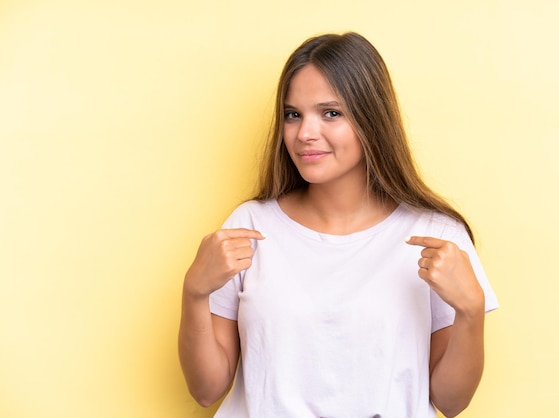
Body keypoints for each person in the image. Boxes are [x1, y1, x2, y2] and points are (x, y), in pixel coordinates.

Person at [178, 32, 498, 418]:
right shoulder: (249, 227)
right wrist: (195, 292)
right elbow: (206, 390)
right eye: (293, 114)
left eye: (331, 113)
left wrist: (470, 310)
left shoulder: (435, 236)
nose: (304, 133)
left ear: (371, 118)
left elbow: (452, 401)